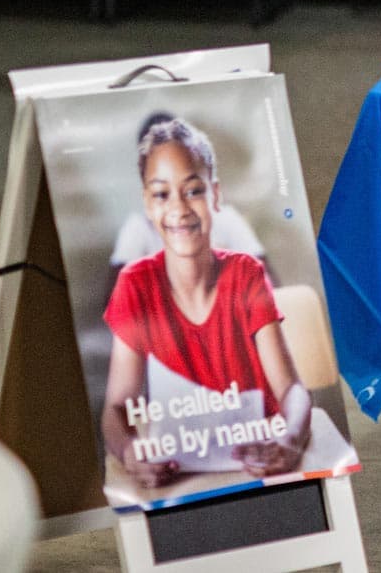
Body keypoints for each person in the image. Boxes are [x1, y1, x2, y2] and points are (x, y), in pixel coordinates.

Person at [101, 114, 311, 490]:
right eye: (162, 193)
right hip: (180, 474)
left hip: (261, 470)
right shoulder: (133, 285)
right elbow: (116, 410)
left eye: (193, 190)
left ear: (215, 195)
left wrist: (289, 440)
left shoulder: (247, 274)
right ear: (147, 205)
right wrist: (130, 452)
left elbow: (292, 390)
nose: (179, 208)